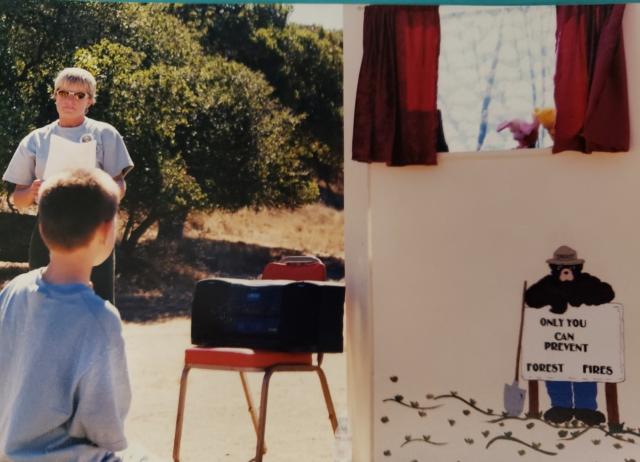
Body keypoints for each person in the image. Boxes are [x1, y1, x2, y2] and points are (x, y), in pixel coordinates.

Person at [0, 168, 131, 461]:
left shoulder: (13, 290)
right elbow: (105, 430)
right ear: (106, 231)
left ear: (43, 229)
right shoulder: (99, 318)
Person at [2, 67, 134, 304]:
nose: (70, 100)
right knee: (43, 303)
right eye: (64, 93)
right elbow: (17, 199)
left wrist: (99, 191)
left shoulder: (105, 134)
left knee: (98, 302)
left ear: (90, 101)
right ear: (54, 95)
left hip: (94, 230)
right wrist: (31, 191)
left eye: (80, 95)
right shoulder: (35, 140)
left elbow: (119, 185)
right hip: (49, 230)